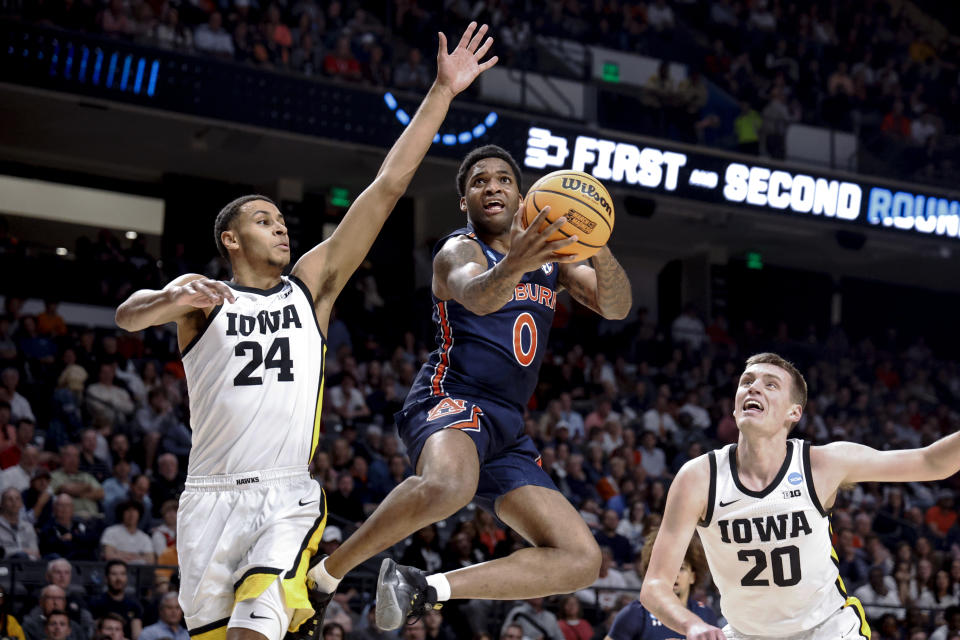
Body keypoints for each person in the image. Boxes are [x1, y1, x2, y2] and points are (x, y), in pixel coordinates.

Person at [113, 21, 498, 640]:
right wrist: (167, 296)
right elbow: (127, 315)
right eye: (264, 221)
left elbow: (387, 186)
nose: (281, 226)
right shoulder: (201, 298)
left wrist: (442, 93)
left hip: (285, 497)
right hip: (205, 499)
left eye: (281, 218)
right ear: (232, 240)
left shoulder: (309, 287)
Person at [314, 141, 631, 631]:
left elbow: (615, 307)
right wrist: (516, 263)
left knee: (581, 559)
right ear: (465, 202)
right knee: (448, 486)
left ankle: (425, 589)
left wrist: (597, 241)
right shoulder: (458, 249)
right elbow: (478, 296)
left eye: (503, 179)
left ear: (524, 196)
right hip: (449, 397)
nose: (492, 187)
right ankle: (326, 576)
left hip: (506, 426)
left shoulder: (554, 258)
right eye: (479, 182)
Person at [640, 352, 960, 640]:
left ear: (794, 412)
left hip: (827, 628)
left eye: (770, 384)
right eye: (747, 381)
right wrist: (691, 624)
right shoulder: (698, 478)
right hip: (745, 633)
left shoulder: (822, 464)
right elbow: (655, 586)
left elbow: (932, 462)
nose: (754, 387)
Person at [606, 529, 715, 640]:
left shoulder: (706, 613)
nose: (674, 574)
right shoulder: (634, 613)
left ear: (693, 577)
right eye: (668, 568)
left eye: (681, 568)